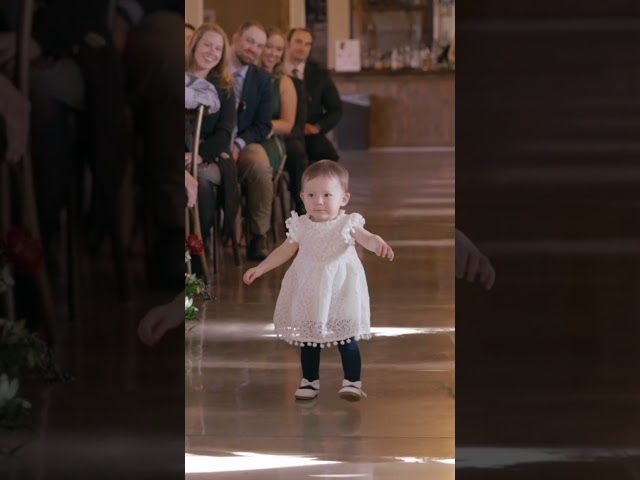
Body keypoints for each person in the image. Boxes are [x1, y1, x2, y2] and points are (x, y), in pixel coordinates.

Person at [243, 160, 394, 402]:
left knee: (347, 338)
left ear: (343, 199)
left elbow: (366, 238)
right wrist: (261, 268)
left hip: (342, 290)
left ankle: (352, 382)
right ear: (302, 196)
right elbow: (284, 250)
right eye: (311, 195)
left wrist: (378, 244)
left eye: (326, 195)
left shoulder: (348, 223)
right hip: (311, 290)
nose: (318, 201)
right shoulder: (301, 225)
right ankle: (309, 380)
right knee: (309, 339)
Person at [185, 23, 238, 273]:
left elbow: (224, 135)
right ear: (194, 44)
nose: (211, 52)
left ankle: (196, 256)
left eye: (218, 48)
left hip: (211, 156)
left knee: (203, 184)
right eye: (207, 44)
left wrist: (196, 156)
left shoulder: (225, 88)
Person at [229, 20, 273, 260]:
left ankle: (258, 236)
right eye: (249, 41)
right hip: (213, 140)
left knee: (260, 166)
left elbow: (263, 125)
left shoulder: (263, 79)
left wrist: (238, 144)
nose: (253, 49)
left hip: (246, 141)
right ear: (236, 37)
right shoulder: (215, 68)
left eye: (259, 45)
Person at [285, 28, 342, 163]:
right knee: (296, 155)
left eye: (307, 44)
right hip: (283, 131)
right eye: (298, 42)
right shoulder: (275, 70)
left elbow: (336, 109)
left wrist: (318, 127)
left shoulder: (319, 74)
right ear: (288, 43)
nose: (302, 48)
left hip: (308, 132)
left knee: (329, 156)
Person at [256, 27, 297, 177]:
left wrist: (258, 127)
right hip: (241, 136)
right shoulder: (246, 75)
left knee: (260, 167)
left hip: (270, 139)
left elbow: (287, 124)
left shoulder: (285, 82)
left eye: (279, 49)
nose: (273, 53)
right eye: (269, 46)